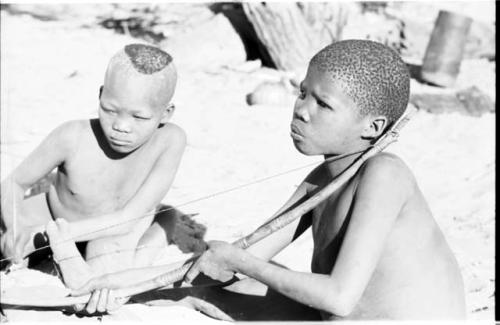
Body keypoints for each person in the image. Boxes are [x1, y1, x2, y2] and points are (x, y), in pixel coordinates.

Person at [73, 40, 466, 320]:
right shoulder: (320, 181)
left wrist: (236, 259)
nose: (301, 111)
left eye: (323, 104)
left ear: (374, 127)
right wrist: (114, 283)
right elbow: (238, 259)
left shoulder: (386, 174)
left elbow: (339, 298)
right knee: (206, 288)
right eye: (302, 93)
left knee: (234, 279)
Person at [0, 43, 186, 310]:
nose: (121, 126)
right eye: (110, 110)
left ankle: (155, 237)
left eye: (139, 116)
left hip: (113, 230)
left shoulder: (170, 140)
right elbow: (14, 183)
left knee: (105, 277)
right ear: (100, 95)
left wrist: (61, 237)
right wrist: (15, 228)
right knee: (11, 235)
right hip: (56, 217)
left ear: (165, 114)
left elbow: (126, 220)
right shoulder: (72, 136)